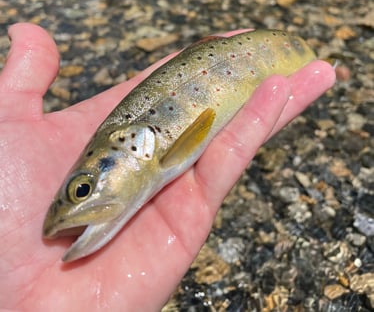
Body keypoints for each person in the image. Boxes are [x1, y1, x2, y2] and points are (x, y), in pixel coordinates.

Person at [0, 23, 335, 310]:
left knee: (301, 75)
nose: (81, 198)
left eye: (82, 189)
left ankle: (327, 59)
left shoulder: (154, 151)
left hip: (268, 49)